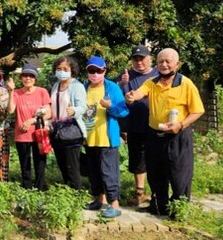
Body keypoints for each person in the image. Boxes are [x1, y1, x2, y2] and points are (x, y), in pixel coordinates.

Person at [125, 48, 205, 216]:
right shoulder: (152, 82)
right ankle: (158, 206)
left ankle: (178, 210)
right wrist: (131, 96)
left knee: (179, 175)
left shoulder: (186, 84)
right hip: (154, 135)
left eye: (168, 61)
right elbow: (140, 93)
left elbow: (198, 111)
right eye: (161, 61)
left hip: (177, 136)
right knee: (155, 173)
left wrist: (181, 125)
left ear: (177, 64)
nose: (164, 65)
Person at [83, 56, 129, 219]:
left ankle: (114, 204)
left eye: (99, 70)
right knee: (94, 171)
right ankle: (98, 200)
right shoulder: (84, 87)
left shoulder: (112, 88)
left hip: (107, 138)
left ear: (104, 71)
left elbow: (124, 111)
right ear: (87, 72)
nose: (95, 74)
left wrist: (110, 107)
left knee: (109, 172)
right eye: (91, 70)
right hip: (90, 138)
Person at [117, 45, 159, 206]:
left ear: (150, 59)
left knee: (155, 158)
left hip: (155, 124)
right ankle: (140, 192)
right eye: (135, 59)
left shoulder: (158, 74)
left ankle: (157, 192)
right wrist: (122, 84)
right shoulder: (126, 75)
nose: (139, 62)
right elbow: (112, 94)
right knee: (137, 159)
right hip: (134, 124)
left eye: (142, 58)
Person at [6, 64, 52, 190]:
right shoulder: (16, 93)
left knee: (40, 163)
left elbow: (48, 113)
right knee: (24, 164)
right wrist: (10, 92)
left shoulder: (42, 92)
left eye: (31, 76)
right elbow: (10, 110)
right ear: (21, 78)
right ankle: (26, 188)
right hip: (22, 135)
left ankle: (40, 188)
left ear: (35, 78)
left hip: (39, 134)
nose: (28, 78)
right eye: (25, 76)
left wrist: (32, 120)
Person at [49, 56, 87, 190]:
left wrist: (74, 110)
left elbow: (83, 107)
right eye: (59, 69)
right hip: (56, 131)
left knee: (72, 166)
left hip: (72, 131)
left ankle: (76, 193)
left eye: (65, 69)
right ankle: (67, 192)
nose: (61, 71)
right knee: (62, 164)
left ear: (72, 70)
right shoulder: (55, 85)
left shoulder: (77, 86)